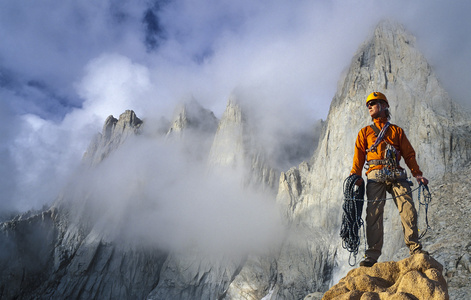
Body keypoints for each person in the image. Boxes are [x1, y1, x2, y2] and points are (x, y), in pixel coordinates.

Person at [350, 91, 429, 267]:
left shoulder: (396, 131)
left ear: (384, 106)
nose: (369, 106)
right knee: (373, 215)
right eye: (368, 104)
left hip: (396, 173)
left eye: (374, 103)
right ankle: (371, 255)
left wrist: (417, 174)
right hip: (375, 174)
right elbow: (359, 157)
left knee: (408, 209)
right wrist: (355, 175)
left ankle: (415, 248)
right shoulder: (364, 133)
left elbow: (409, 155)